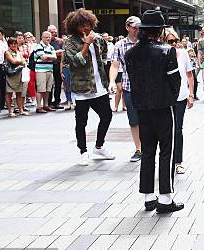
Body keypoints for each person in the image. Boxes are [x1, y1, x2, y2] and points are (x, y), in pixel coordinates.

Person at [126, 9, 183, 214]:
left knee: (147, 150)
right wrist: (171, 98)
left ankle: (149, 197)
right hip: (163, 107)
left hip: (142, 108)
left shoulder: (130, 53)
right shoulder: (166, 51)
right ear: (159, 30)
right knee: (166, 150)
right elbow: (175, 80)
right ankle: (166, 198)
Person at [63, 9, 115, 166]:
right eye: (81, 26)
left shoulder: (97, 39)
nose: (85, 29)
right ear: (75, 27)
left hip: (99, 86)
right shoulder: (70, 42)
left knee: (107, 116)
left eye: (87, 25)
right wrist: (86, 44)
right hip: (82, 89)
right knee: (81, 122)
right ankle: (83, 151)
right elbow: (77, 61)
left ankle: (98, 146)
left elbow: (105, 54)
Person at [109, 16, 143, 162]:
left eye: (139, 28)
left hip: (147, 87)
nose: (137, 30)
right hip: (129, 86)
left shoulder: (145, 42)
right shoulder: (120, 45)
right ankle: (139, 149)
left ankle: (148, 147)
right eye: (134, 27)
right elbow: (115, 65)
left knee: (147, 119)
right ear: (127, 27)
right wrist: (111, 82)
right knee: (133, 120)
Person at [164, 28, 195, 175]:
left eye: (175, 41)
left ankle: (178, 162)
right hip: (164, 99)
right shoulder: (161, 54)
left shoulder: (183, 54)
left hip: (181, 97)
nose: (174, 44)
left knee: (178, 129)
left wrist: (191, 94)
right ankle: (165, 161)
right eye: (170, 41)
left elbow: (190, 75)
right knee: (164, 131)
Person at [32, 31, 57, 113]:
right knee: (40, 89)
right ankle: (39, 107)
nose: (48, 38)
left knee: (47, 89)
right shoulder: (38, 46)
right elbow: (43, 57)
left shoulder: (51, 47)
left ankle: (45, 105)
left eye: (49, 37)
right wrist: (50, 57)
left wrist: (48, 57)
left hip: (49, 70)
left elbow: (55, 57)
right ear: (42, 38)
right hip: (40, 70)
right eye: (46, 37)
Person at [3, 37, 27, 117]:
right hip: (10, 75)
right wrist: (21, 62)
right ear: (9, 45)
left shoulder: (19, 52)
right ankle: (10, 111)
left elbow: (24, 61)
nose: (13, 45)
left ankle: (21, 110)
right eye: (11, 43)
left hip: (18, 74)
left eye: (15, 43)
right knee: (8, 93)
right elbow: (13, 61)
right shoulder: (7, 52)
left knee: (19, 93)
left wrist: (21, 62)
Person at [47, 25, 64, 110]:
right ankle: (49, 103)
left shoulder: (60, 41)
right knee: (49, 84)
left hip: (58, 64)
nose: (54, 34)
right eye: (52, 32)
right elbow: (45, 53)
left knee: (58, 83)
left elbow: (63, 52)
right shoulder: (46, 41)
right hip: (48, 65)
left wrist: (52, 53)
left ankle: (57, 101)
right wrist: (55, 53)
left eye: (55, 32)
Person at [60, 35, 74, 111]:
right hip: (66, 69)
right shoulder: (64, 51)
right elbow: (61, 62)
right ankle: (69, 102)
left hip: (75, 69)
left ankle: (75, 102)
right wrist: (61, 71)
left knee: (74, 86)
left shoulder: (76, 50)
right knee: (67, 85)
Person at [22, 32, 36, 105]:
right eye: (26, 37)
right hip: (25, 66)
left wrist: (29, 47)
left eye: (29, 37)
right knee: (26, 83)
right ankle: (27, 98)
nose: (27, 39)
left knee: (31, 83)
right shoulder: (23, 46)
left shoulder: (35, 45)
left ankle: (33, 98)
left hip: (33, 66)